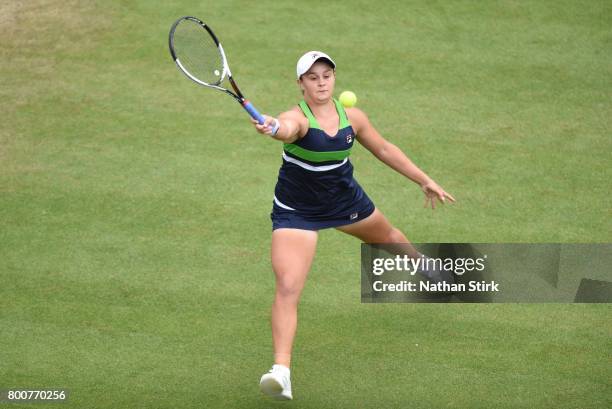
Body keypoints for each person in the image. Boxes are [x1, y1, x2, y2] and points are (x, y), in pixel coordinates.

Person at [252, 51, 455, 400]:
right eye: (312, 77)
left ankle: (424, 267)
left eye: (326, 76)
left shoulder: (353, 118)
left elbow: (385, 149)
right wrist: (273, 127)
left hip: (344, 202)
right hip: (296, 211)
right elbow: (287, 128)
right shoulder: (296, 118)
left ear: (334, 79)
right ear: (300, 83)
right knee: (288, 286)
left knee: (389, 237)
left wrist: (423, 179)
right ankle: (281, 371)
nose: (321, 83)